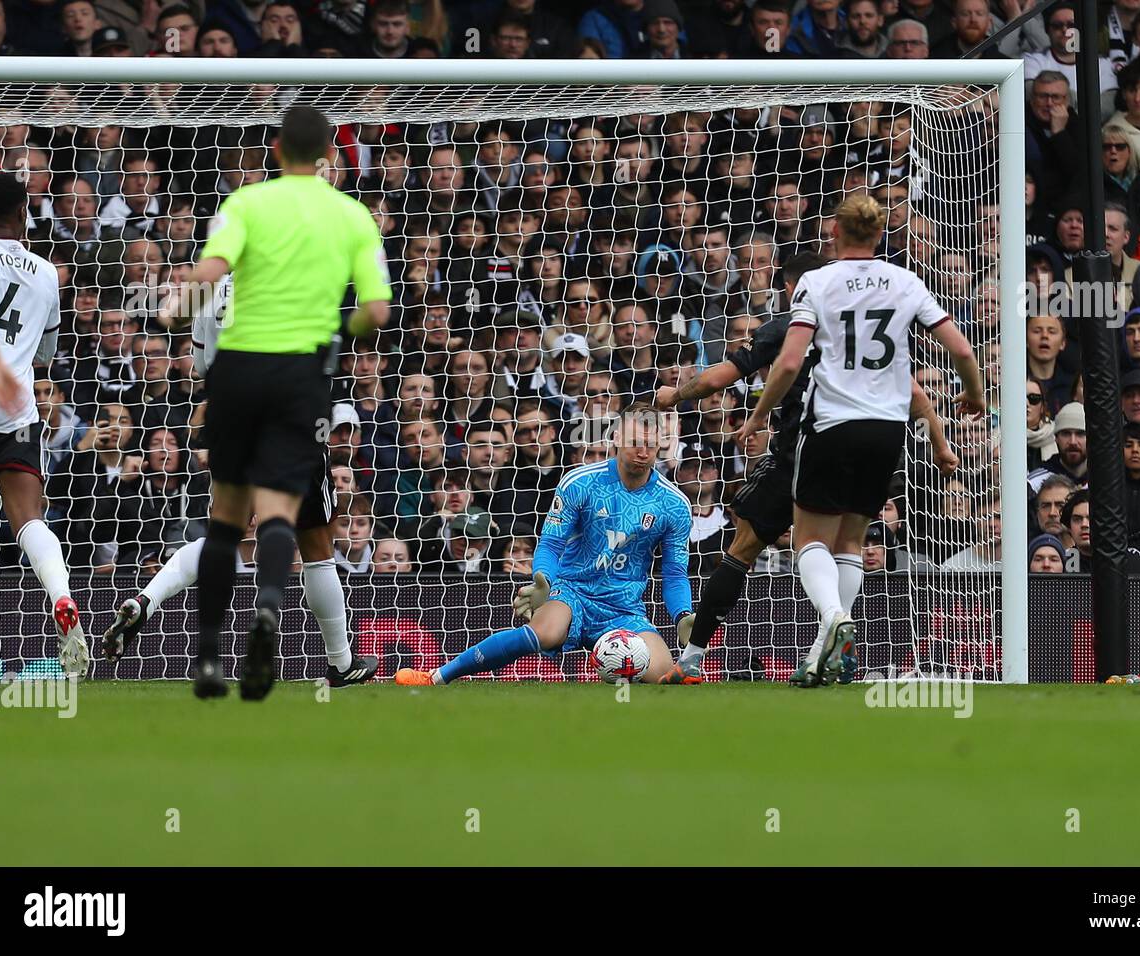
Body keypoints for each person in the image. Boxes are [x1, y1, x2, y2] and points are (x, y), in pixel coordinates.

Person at [158, 105, 391, 699]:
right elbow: (377, 313)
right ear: (329, 158)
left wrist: (177, 308)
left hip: (236, 372)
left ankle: (209, 657)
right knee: (284, 514)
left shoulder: (245, 204)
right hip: (299, 373)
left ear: (276, 150)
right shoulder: (351, 215)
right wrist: (339, 334)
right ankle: (268, 611)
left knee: (226, 517)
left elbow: (209, 271)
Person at [653, 252, 957, 683]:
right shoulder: (862, 335)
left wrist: (675, 395)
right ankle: (822, 652)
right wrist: (942, 446)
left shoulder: (785, 329)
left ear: (790, 288)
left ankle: (691, 659)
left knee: (743, 549)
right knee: (846, 546)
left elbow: (720, 377)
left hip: (799, 455)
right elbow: (916, 395)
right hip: (865, 455)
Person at [735, 195, 985, 688]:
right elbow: (958, 346)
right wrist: (974, 393)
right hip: (887, 428)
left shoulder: (816, 281)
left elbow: (788, 363)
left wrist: (758, 416)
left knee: (809, 538)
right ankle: (831, 653)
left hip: (831, 423)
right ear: (876, 234)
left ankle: (832, 619)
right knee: (851, 541)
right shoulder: (906, 280)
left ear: (834, 234)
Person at [392, 402, 694, 686]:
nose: (642, 451)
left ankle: (626, 703)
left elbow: (675, 573)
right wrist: (543, 581)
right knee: (545, 633)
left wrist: (682, 614)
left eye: (650, 444)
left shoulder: (674, 504)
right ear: (616, 437)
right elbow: (550, 543)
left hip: (624, 607)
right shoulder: (580, 482)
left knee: (663, 673)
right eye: (635, 442)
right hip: (573, 590)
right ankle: (437, 676)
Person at [0, 172, 87, 677]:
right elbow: (45, 351)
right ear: (24, 212)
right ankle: (62, 597)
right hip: (14, 409)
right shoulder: (46, 274)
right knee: (28, 518)